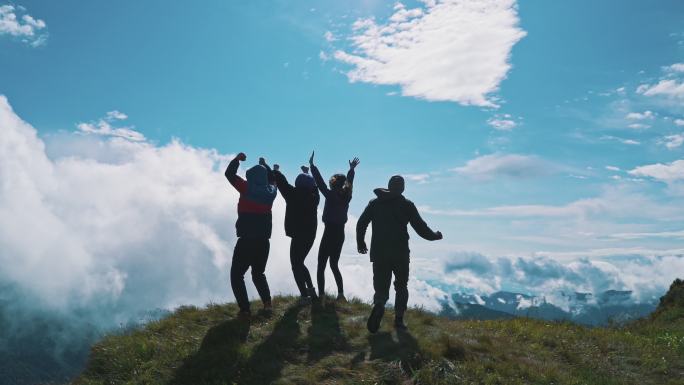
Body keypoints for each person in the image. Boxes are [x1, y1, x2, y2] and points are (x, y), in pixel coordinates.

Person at [356, 175, 442, 333]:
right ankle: (399, 320)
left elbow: (361, 223)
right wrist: (435, 236)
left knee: (381, 286)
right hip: (400, 252)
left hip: (379, 251)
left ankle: (380, 304)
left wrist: (360, 243)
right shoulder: (406, 205)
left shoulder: (375, 203)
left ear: (389, 186)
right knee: (401, 286)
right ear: (402, 188)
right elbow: (421, 228)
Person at [225, 152, 278, 316]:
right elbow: (272, 180)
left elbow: (229, 174)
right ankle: (267, 305)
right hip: (263, 242)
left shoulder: (246, 187)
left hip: (246, 240)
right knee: (258, 273)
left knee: (236, 275)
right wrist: (267, 166)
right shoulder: (271, 192)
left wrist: (237, 160)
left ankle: (245, 310)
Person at [309, 151, 360, 302]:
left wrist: (312, 166)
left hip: (329, 233)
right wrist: (351, 170)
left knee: (321, 265)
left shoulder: (330, 194)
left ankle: (322, 295)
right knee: (334, 264)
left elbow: (319, 182)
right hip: (340, 235)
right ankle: (341, 294)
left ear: (332, 183)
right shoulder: (347, 197)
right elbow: (349, 183)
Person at [272, 163, 320, 304]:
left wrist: (275, 171)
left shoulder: (291, 194)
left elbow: (282, 183)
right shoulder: (314, 198)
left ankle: (304, 297)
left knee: (296, 264)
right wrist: (308, 174)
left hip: (298, 235)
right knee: (300, 262)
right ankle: (311, 290)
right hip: (310, 235)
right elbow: (315, 188)